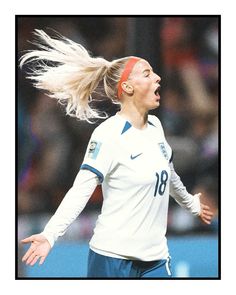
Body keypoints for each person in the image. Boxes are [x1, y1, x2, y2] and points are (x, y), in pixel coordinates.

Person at [19, 29, 213, 278]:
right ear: (128, 87)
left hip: (155, 258)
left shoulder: (156, 127)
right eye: (147, 74)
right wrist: (50, 234)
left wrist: (191, 203)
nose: (157, 78)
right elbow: (81, 190)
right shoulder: (108, 135)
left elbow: (168, 173)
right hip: (112, 259)